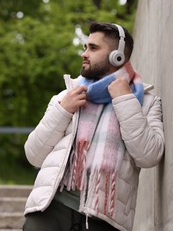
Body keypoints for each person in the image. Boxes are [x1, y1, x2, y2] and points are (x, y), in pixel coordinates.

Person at [23, 21, 165, 231]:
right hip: (51, 210)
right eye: (85, 47)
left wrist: (125, 100)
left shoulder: (146, 101)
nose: (84, 54)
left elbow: (149, 156)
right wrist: (63, 111)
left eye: (93, 48)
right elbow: (33, 154)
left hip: (104, 219)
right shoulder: (66, 96)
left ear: (117, 56)